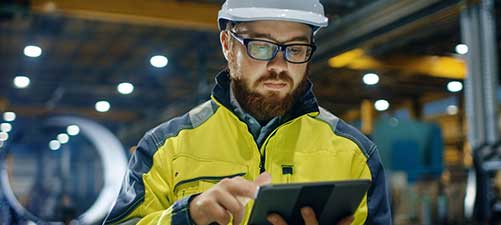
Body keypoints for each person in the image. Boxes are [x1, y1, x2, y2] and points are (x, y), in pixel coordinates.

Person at [104, 0, 391, 224]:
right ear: (228, 45)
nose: (279, 65)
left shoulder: (355, 153)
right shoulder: (165, 148)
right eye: (262, 47)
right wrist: (187, 216)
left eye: (295, 48)